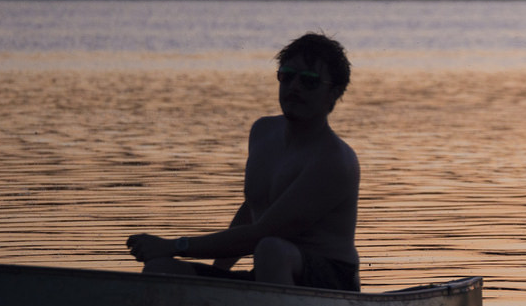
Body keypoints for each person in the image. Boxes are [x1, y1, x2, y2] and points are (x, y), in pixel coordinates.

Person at [126, 32, 361, 291]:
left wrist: (175, 245)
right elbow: (252, 209)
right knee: (160, 268)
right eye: (287, 75)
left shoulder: (334, 161)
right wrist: (218, 272)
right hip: (272, 273)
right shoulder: (263, 132)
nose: (294, 87)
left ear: (334, 93)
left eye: (309, 81)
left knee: (271, 248)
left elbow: (265, 232)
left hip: (332, 283)